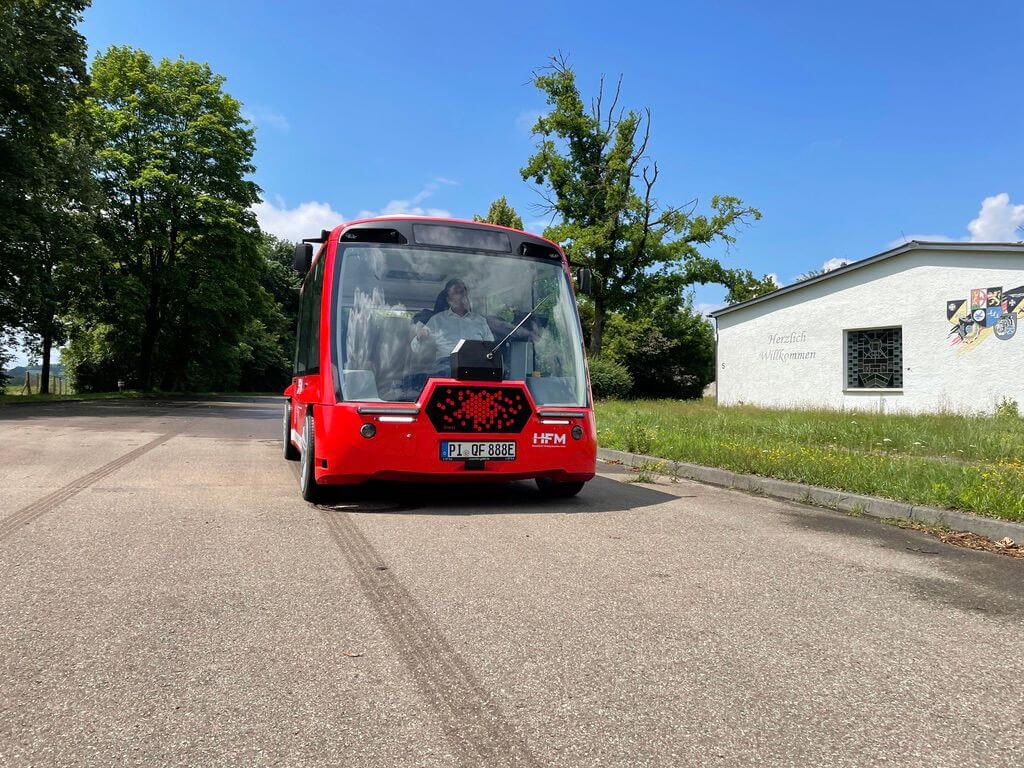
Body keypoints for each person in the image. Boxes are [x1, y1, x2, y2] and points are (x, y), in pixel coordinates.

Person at [412, 278, 493, 363]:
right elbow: (416, 349)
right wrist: (420, 337)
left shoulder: (480, 321)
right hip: (446, 365)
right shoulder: (437, 320)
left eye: (462, 292)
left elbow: (491, 348)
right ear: (448, 300)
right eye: (456, 293)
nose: (461, 296)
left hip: (476, 364)